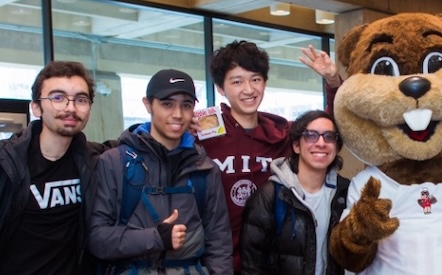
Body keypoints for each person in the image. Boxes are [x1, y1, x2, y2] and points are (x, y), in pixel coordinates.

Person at [198, 40, 340, 273]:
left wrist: (333, 83)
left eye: (255, 79)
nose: (248, 89)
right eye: (237, 81)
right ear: (221, 88)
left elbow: (326, 128)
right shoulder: (204, 132)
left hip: (268, 263)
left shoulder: (280, 133)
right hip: (217, 262)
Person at [89, 69, 232, 274]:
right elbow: (97, 239)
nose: (177, 114)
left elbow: (219, 242)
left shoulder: (205, 168)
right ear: (148, 104)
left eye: (186, 105)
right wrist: (156, 238)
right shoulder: (115, 162)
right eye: (167, 104)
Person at [0, 61, 102, 274]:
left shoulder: (92, 159)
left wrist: (188, 129)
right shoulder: (7, 163)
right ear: (36, 107)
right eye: (58, 98)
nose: (71, 108)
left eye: (81, 100)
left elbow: (138, 141)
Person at [240, 110, 349, 275]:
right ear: (296, 145)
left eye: (329, 136)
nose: (321, 143)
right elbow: (252, 267)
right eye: (311, 135)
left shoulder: (346, 193)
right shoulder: (270, 196)